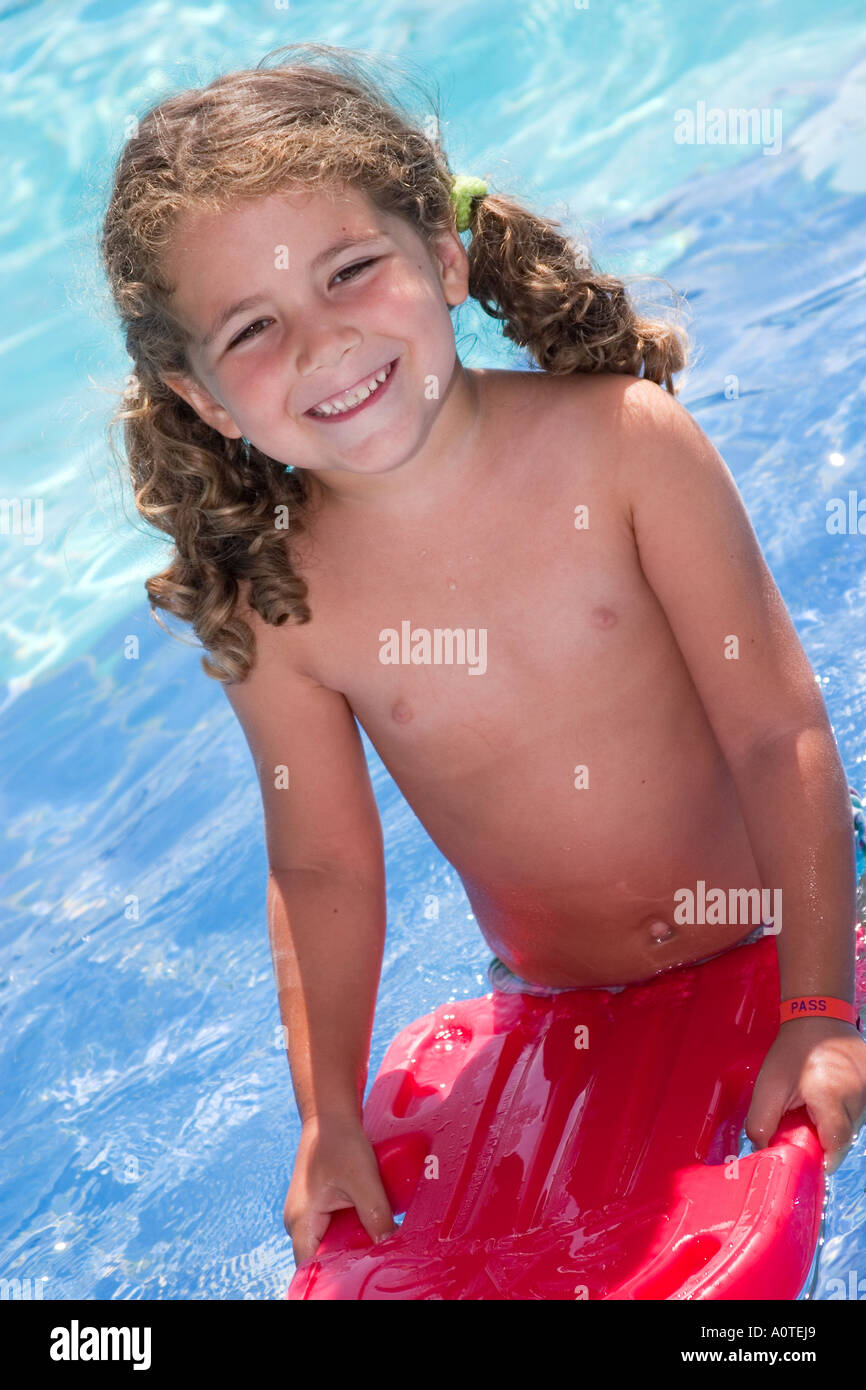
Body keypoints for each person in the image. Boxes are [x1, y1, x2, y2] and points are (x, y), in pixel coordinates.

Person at [99, 42, 866, 1273]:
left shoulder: (622, 448)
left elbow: (775, 732)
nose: (323, 342)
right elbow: (321, 864)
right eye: (252, 328)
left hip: (802, 923)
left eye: (352, 270)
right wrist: (327, 1116)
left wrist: (820, 1008)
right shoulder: (278, 600)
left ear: (442, 259)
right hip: (556, 999)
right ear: (200, 401)